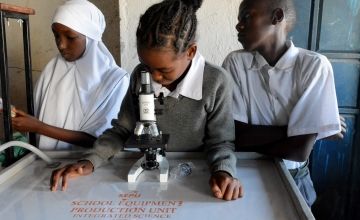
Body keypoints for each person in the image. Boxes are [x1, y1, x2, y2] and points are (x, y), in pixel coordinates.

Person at [50, 0, 243, 201]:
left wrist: (224, 172)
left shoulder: (215, 82)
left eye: (163, 70)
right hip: (149, 176)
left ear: (190, 52)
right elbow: (121, 130)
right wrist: (91, 160)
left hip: (195, 173)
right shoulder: (140, 75)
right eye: (147, 66)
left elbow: (221, 142)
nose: (153, 77)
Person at [222, 0, 345, 206]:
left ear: (276, 17)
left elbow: (299, 151)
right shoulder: (235, 63)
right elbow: (235, 136)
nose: (238, 25)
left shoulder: (314, 66)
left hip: (295, 177)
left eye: (246, 17)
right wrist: (307, 130)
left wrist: (305, 137)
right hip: (245, 174)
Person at [11, 0, 130, 150]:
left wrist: (38, 127)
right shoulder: (51, 70)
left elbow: (104, 141)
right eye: (56, 35)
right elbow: (38, 121)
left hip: (89, 165)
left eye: (70, 37)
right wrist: (23, 121)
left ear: (90, 36)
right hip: (44, 161)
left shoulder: (115, 80)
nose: (61, 45)